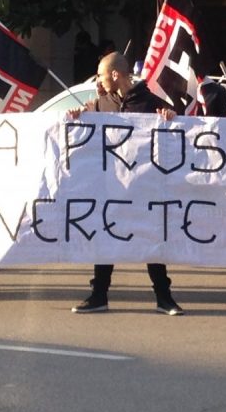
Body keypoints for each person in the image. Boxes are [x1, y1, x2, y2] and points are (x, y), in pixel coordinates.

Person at [68, 52, 185, 316]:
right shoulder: (100, 105)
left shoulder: (151, 103)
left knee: (152, 240)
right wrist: (76, 116)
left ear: (115, 75)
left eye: (100, 74)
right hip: (110, 187)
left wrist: (171, 117)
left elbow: (176, 130)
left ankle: (164, 298)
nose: (98, 80)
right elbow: (83, 130)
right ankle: (99, 295)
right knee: (105, 239)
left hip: (144, 187)